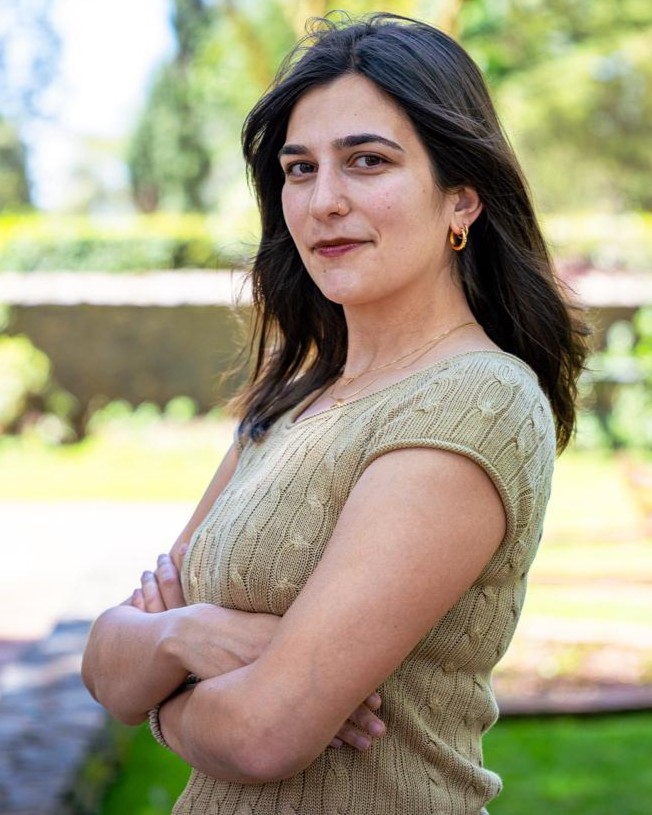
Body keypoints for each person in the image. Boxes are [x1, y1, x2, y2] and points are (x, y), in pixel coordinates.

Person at [82, 12, 589, 814]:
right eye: (299, 168)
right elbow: (104, 666)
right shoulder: (295, 398)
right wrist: (189, 635)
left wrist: (164, 691)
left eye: (367, 161)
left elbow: (264, 733)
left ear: (462, 198)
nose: (324, 201)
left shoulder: (474, 402)